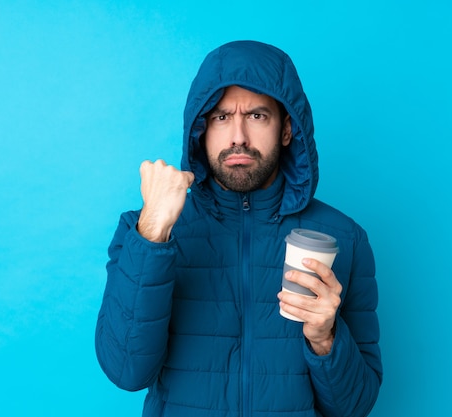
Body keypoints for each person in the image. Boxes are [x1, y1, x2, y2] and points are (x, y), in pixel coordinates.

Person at [95, 40, 383, 417]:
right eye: (221, 117)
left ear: (286, 129)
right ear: (201, 129)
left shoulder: (345, 239)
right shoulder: (147, 230)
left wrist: (326, 339)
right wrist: (152, 234)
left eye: (258, 116)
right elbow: (125, 371)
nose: (238, 137)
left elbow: (355, 406)